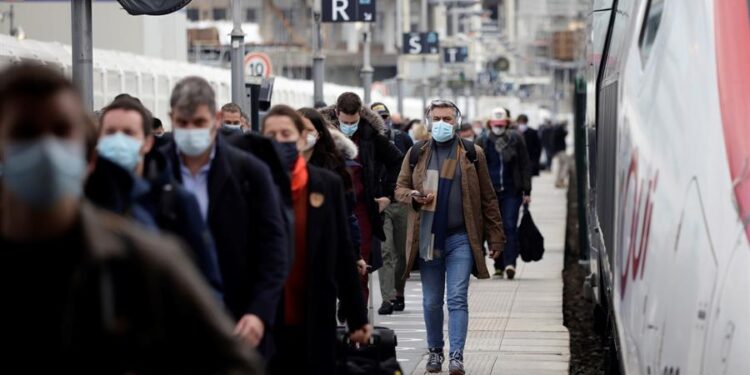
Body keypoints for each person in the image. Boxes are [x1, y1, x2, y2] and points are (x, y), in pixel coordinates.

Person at [0, 63, 262, 374]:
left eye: (61, 131)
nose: (45, 149)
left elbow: (234, 363)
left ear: (88, 156)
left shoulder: (144, 262)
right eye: (24, 132)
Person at [162, 76, 289, 357]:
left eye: (198, 122)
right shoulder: (155, 170)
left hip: (239, 320)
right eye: (182, 124)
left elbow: (274, 248)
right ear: (171, 118)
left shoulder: (249, 172)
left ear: (216, 119)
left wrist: (259, 312)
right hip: (171, 322)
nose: (190, 131)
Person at [395, 99, 504, 375]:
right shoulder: (417, 152)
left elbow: (488, 198)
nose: (442, 123)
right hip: (428, 237)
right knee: (432, 301)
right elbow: (400, 188)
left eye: (448, 118)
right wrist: (414, 196)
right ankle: (435, 351)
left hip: (461, 237)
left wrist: (496, 238)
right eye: (437, 118)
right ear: (428, 121)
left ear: (456, 120)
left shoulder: (471, 152)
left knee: (457, 298)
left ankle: (456, 355)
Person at [261, 105, 373, 374]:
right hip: (265, 315)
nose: (279, 141)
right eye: (271, 135)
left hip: (314, 309)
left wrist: (357, 318)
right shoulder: (253, 182)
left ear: (301, 137)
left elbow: (342, 252)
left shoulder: (326, 184)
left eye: (286, 133)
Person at [86, 96, 224, 298]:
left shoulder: (177, 201)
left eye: (128, 133)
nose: (119, 141)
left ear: (148, 142)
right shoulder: (82, 200)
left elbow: (208, 284)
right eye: (110, 132)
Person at [320, 92, 404, 302]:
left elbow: (398, 161)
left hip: (361, 208)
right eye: (345, 121)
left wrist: (387, 194)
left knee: (361, 265)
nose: (349, 125)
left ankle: (356, 316)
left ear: (360, 115)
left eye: (354, 121)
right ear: (336, 113)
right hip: (328, 207)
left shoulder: (370, 136)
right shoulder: (324, 135)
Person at [298, 107, 367, 275]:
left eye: (308, 130)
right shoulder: (277, 166)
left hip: (325, 247)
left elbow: (347, 215)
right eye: (298, 129)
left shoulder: (335, 170)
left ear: (319, 133)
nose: (302, 135)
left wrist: (356, 253)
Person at [477, 108, 531, 279]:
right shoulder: (483, 140)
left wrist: (527, 190)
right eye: (495, 124)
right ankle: (498, 265)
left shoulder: (515, 139)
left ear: (507, 123)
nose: (498, 127)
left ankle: (510, 263)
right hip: (489, 194)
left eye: (501, 124)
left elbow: (524, 164)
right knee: (492, 228)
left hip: (511, 191)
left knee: (509, 226)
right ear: (490, 124)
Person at [370, 102, 413, 315]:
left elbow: (413, 164)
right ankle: (387, 299)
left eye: (385, 116)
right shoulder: (369, 141)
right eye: (378, 117)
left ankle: (399, 291)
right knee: (386, 252)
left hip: (401, 201)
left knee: (402, 254)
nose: (382, 120)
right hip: (380, 202)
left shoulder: (402, 138)